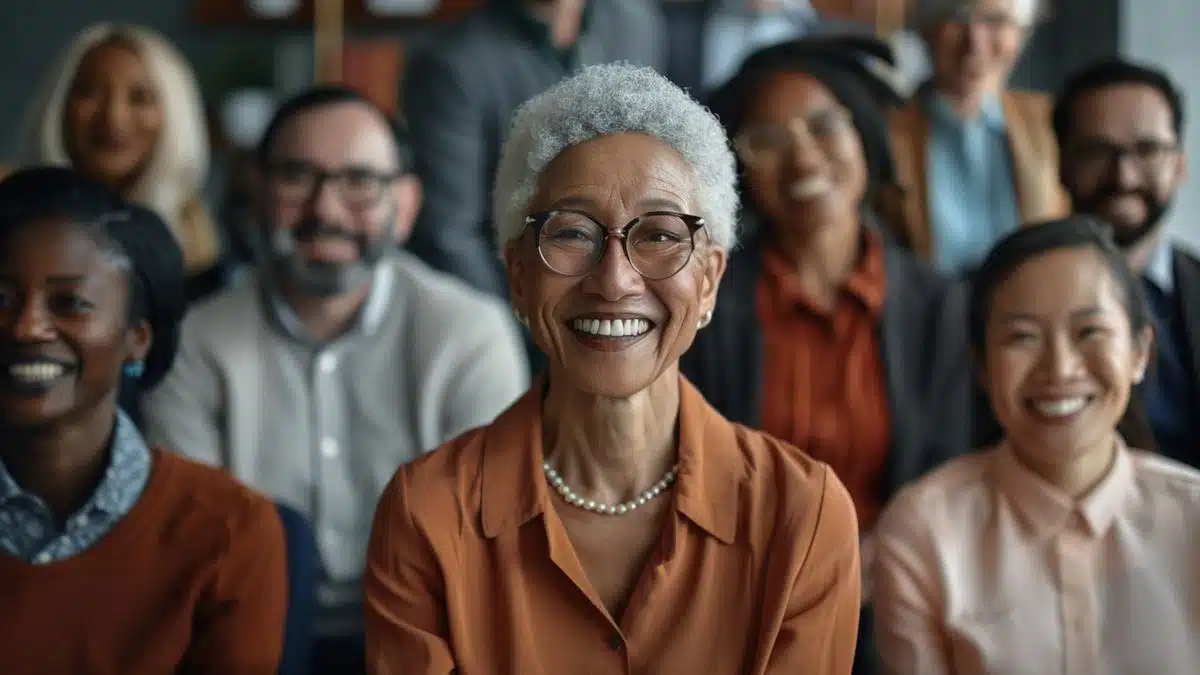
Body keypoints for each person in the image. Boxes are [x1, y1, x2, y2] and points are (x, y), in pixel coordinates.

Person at [363, 63, 861, 674]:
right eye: (572, 233)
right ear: (518, 275)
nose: (615, 280)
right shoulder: (428, 513)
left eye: (658, 234)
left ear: (709, 280)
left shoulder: (803, 515)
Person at [141, 86, 529, 674]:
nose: (325, 209)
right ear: (259, 193)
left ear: (405, 205)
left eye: (358, 182)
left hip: (427, 637)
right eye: (298, 178)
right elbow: (192, 553)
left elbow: (487, 545)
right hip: (246, 637)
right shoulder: (194, 343)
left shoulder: (470, 335)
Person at [687, 36, 977, 675]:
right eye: (767, 140)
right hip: (741, 602)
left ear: (865, 139)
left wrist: (868, 566)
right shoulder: (704, 306)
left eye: (824, 127)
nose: (802, 158)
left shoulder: (938, 307)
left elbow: (948, 471)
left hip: (897, 595)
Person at [873, 216, 1200, 674]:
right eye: (1023, 337)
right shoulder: (924, 533)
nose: (1060, 369)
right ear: (983, 368)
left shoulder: (1192, 515)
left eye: (1089, 331)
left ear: (1139, 353)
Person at [0, 167, 286, 674]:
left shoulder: (227, 529)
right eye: (2, 300)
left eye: (70, 303)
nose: (26, 326)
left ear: (139, 336)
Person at [402, 0, 665, 371]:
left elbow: (651, 169)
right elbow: (450, 235)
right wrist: (537, 326)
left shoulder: (635, 23)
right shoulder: (452, 61)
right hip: (516, 326)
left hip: (624, 292)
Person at [1053, 59, 1200, 468]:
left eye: (1148, 149)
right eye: (1098, 151)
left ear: (1179, 165)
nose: (1124, 175)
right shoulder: (994, 294)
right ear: (1061, 164)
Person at [24, 23, 228, 304]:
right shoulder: (15, 229)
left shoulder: (203, 257)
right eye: (90, 92)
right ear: (60, 106)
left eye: (140, 98)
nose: (113, 118)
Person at [888, 0, 1067, 274]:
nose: (975, 42)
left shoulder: (1051, 123)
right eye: (956, 17)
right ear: (926, 29)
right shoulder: (886, 131)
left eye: (996, 21)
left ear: (1022, 33)